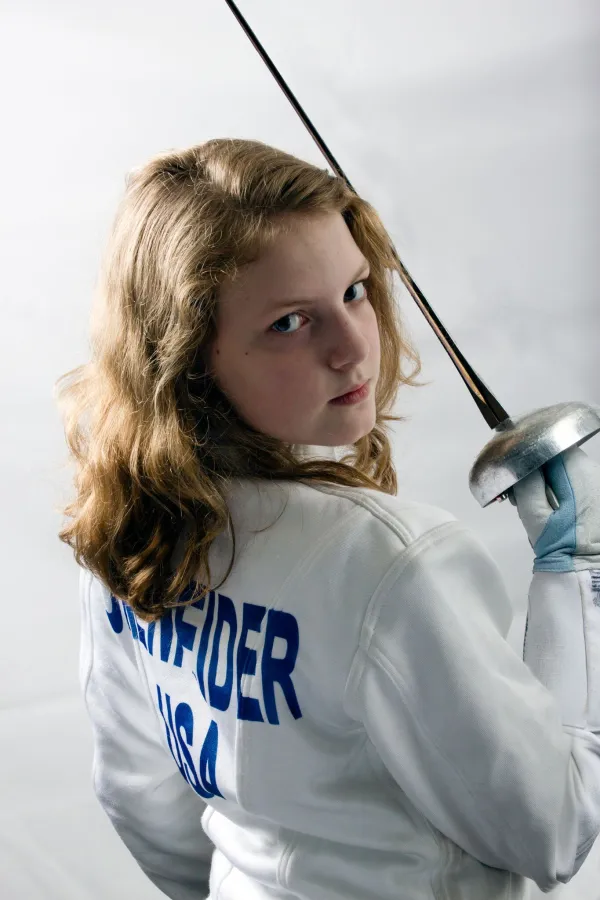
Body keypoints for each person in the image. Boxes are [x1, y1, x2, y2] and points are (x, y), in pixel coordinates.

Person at [54, 138, 600, 900]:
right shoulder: (390, 561)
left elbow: (146, 804)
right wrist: (578, 577)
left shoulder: (129, 532)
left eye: (354, 291)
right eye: (289, 323)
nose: (353, 349)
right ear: (190, 357)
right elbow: (555, 827)